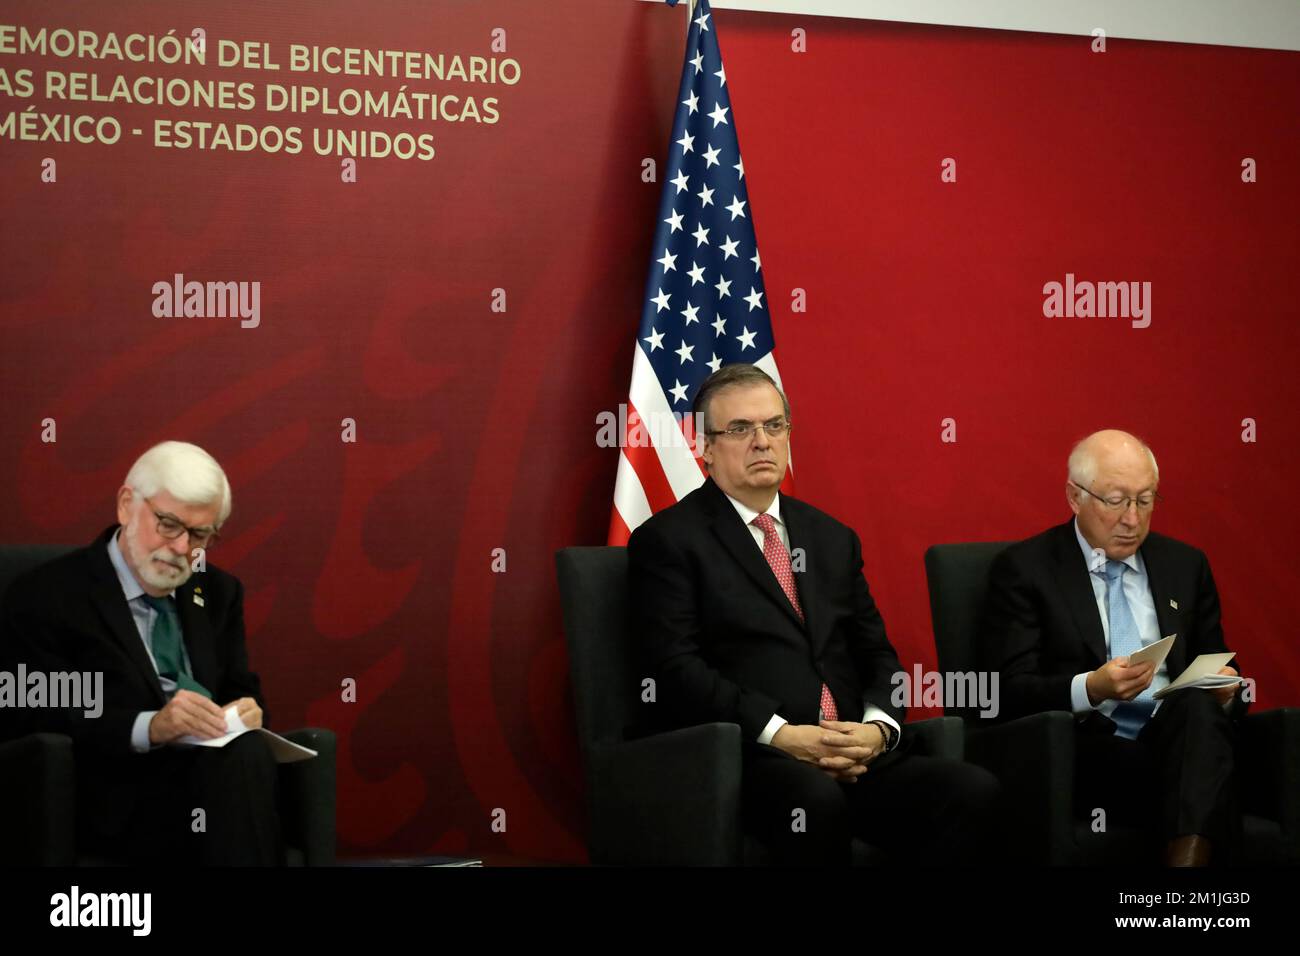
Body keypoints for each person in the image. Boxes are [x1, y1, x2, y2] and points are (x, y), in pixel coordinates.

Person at [628, 364, 999, 865]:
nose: (761, 441)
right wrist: (784, 735)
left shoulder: (830, 538)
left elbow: (878, 656)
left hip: (853, 753)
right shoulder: (669, 540)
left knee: (972, 790)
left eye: (774, 425)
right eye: (740, 429)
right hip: (750, 758)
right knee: (814, 801)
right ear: (705, 448)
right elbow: (674, 671)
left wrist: (877, 730)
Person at [0, 440, 282, 865]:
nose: (183, 549)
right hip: (116, 795)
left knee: (246, 752)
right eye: (168, 524)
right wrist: (150, 726)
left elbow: (241, 688)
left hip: (215, 781)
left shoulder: (218, 592)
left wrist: (249, 713)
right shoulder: (48, 595)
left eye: (201, 534)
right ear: (126, 505)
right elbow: (31, 709)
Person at [981, 429, 1246, 866]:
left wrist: (1228, 690)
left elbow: (1219, 661)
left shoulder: (1185, 565)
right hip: (1094, 753)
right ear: (1074, 497)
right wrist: (1092, 688)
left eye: (1145, 500)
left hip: (1183, 739)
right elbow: (1003, 692)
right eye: (1116, 500)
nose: (1132, 519)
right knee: (1209, 774)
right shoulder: (1025, 570)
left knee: (1198, 710)